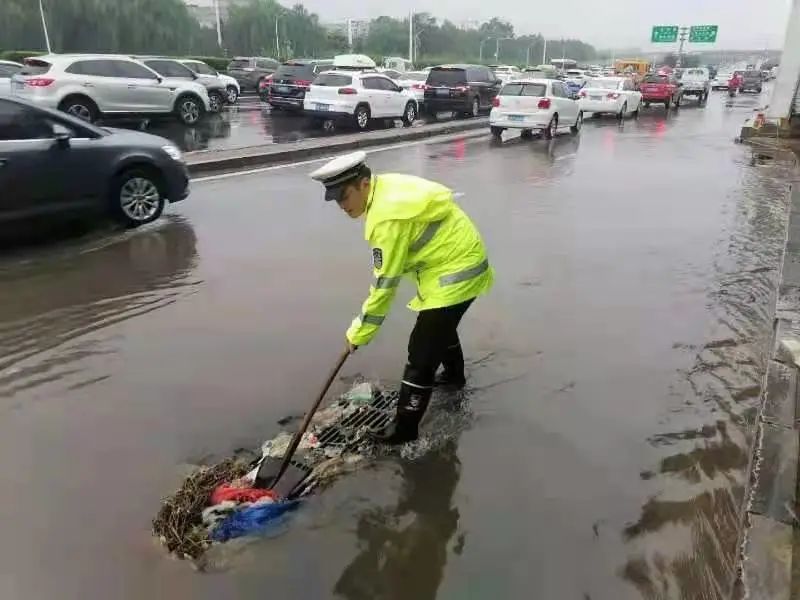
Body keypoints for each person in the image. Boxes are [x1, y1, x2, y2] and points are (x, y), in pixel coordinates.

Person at [310, 151, 493, 444]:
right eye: (336, 200)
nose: (342, 206)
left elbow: (384, 284)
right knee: (438, 327)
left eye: (344, 196)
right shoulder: (386, 188)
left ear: (363, 184)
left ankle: (404, 429)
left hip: (456, 271)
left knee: (421, 350)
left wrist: (359, 332)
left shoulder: (386, 218)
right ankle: (453, 376)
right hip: (459, 260)